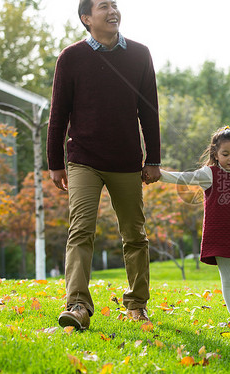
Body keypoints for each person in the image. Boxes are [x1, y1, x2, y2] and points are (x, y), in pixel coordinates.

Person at [47, 0, 161, 330]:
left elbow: (149, 111)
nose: (112, 11)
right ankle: (78, 304)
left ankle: (137, 304)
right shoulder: (71, 57)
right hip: (83, 159)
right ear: (87, 18)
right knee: (80, 230)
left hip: (126, 160)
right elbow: (59, 115)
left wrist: (152, 158)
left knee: (135, 234)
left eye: (114, 5)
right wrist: (56, 162)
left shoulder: (140, 54)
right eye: (103, 7)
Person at [157, 127, 230, 334]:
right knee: (228, 279)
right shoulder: (209, 174)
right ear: (215, 154)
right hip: (219, 234)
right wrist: (158, 174)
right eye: (225, 154)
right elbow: (184, 178)